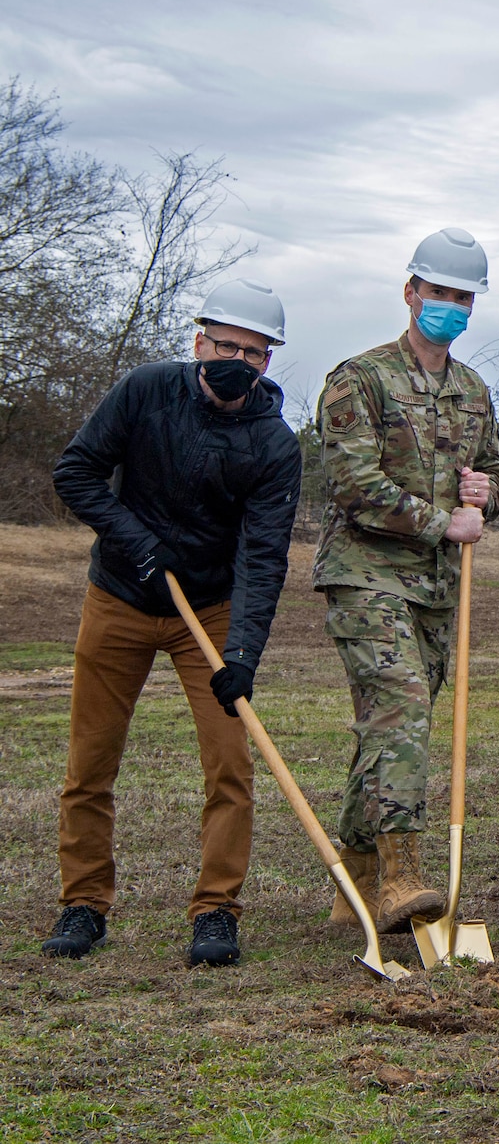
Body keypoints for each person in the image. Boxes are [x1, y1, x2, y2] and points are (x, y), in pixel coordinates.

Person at [43, 279, 301, 967]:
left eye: (252, 350)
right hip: (121, 597)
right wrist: (136, 543)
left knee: (229, 764)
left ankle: (216, 909)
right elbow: (77, 473)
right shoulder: (145, 390)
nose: (236, 359)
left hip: (209, 613)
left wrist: (241, 652)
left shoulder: (275, 445)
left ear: (266, 361)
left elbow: (264, 555)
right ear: (199, 343)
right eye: (225, 344)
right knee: (90, 762)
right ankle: (83, 902)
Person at [314, 228, 499, 934]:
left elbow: (496, 479)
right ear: (411, 291)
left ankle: (351, 883)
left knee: (386, 726)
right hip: (365, 574)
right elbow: (353, 483)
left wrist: (487, 495)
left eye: (463, 296)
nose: (450, 306)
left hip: (435, 588)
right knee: (400, 706)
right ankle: (401, 876)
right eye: (440, 292)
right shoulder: (358, 379)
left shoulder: (472, 391)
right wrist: (439, 522)